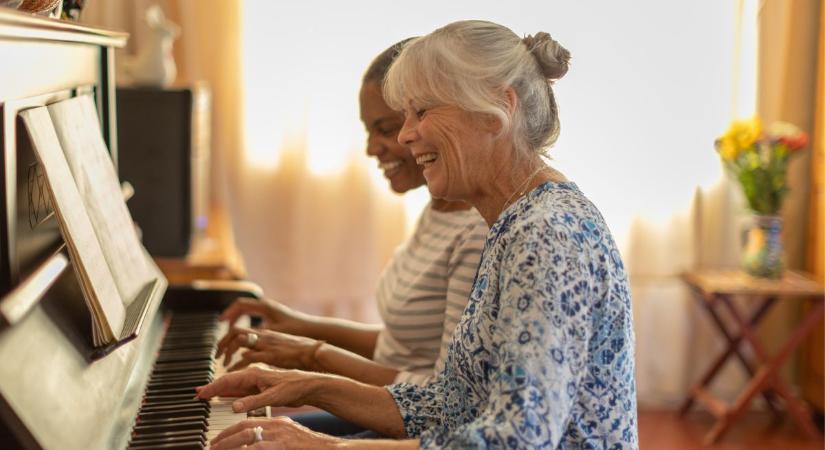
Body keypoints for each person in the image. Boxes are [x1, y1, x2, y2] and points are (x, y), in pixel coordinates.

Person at [197, 20, 638, 450]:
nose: (407, 134)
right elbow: (452, 404)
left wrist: (328, 445)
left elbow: (518, 440)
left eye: (421, 111)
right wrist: (307, 385)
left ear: (498, 110)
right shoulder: (514, 222)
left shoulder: (547, 235)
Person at [212, 40, 488, 435]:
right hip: (396, 409)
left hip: (416, 428)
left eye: (386, 129)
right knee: (237, 427)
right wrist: (303, 326)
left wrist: (312, 356)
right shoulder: (440, 207)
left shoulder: (474, 233)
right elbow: (401, 347)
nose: (372, 148)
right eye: (370, 130)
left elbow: (440, 399)